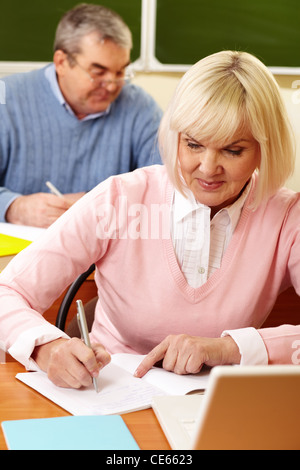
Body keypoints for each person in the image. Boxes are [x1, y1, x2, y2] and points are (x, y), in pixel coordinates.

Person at [0, 50, 299, 390]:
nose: (208, 167)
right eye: (194, 144)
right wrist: (45, 348)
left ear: (265, 147)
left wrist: (228, 348)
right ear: (175, 136)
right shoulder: (120, 197)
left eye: (233, 150)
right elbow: (7, 291)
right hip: (108, 395)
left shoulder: (287, 216)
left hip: (217, 404)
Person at [0, 3, 162, 228]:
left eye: (120, 72)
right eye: (98, 73)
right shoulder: (6, 99)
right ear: (61, 63)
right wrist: (12, 207)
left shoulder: (140, 107)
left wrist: (101, 202)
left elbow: (168, 186)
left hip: (102, 254)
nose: (112, 85)